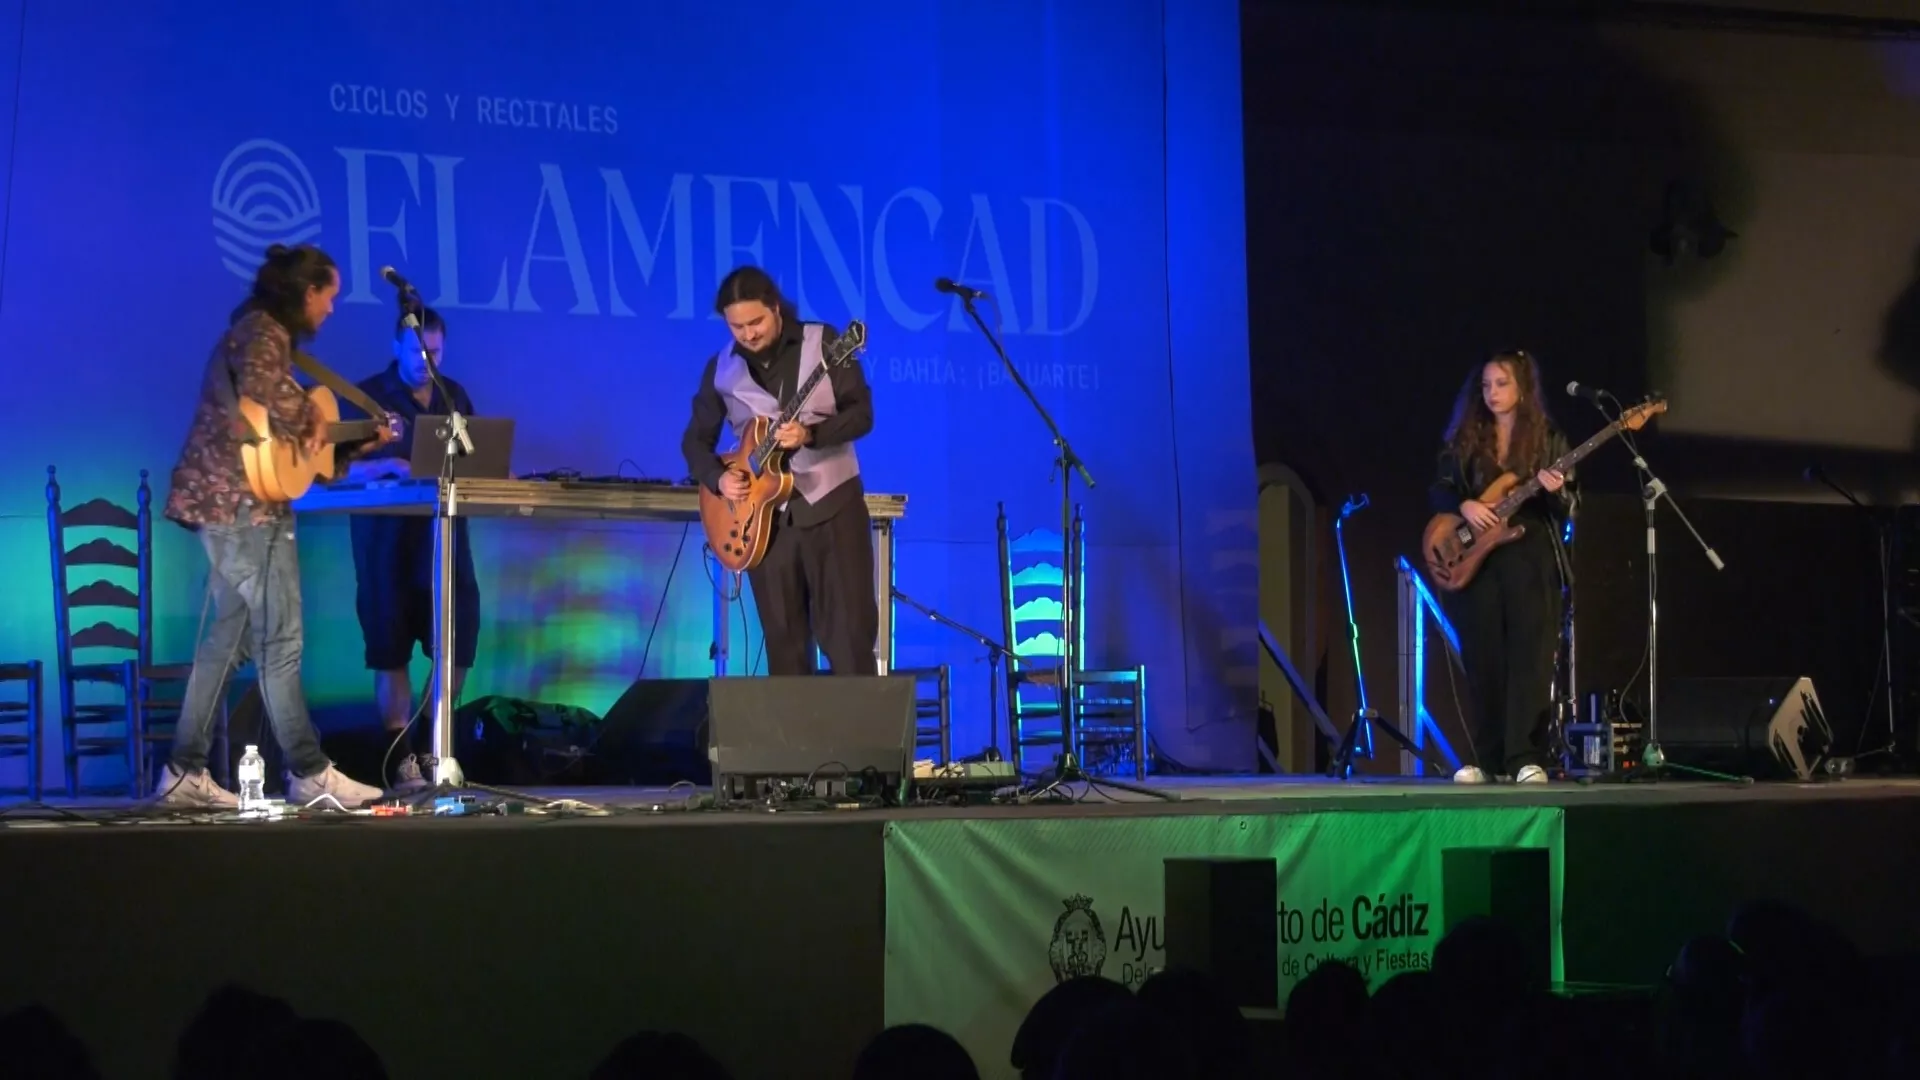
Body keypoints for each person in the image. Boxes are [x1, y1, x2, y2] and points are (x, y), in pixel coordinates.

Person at [159, 243, 390, 809]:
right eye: (329, 297)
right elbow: (269, 393)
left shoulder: (258, 334)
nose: (332, 309)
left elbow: (298, 454)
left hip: (230, 507)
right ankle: (309, 771)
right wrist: (314, 416)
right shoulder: (262, 332)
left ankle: (182, 772)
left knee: (227, 643)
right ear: (306, 293)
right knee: (281, 640)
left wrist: (356, 442)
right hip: (246, 510)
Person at [681, 266, 878, 676]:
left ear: (775, 308)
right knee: (784, 649)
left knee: (848, 639)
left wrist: (812, 432)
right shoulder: (720, 369)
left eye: (756, 322)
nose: (748, 334)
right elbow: (695, 443)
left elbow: (862, 415)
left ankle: (857, 738)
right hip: (764, 524)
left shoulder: (822, 342)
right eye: (737, 327)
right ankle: (796, 741)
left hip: (832, 507)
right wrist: (719, 479)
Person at [337, 306, 479, 791]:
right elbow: (332, 469)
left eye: (434, 351)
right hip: (387, 544)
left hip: (444, 540)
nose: (425, 360)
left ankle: (431, 746)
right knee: (390, 649)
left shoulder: (452, 395)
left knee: (458, 642)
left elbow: (475, 460)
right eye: (418, 350)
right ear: (396, 346)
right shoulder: (368, 396)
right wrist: (386, 467)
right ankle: (401, 757)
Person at [1427, 349, 1573, 785]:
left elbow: (1567, 508)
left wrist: (1554, 490)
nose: (1492, 393)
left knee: (1529, 654)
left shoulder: (1548, 439)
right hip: (1480, 563)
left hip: (1529, 557)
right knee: (1484, 655)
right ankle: (1486, 756)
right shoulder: (1465, 440)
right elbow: (1439, 490)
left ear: (1523, 388)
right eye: (1486, 385)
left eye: (1502, 384)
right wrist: (1465, 504)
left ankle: (1524, 756)